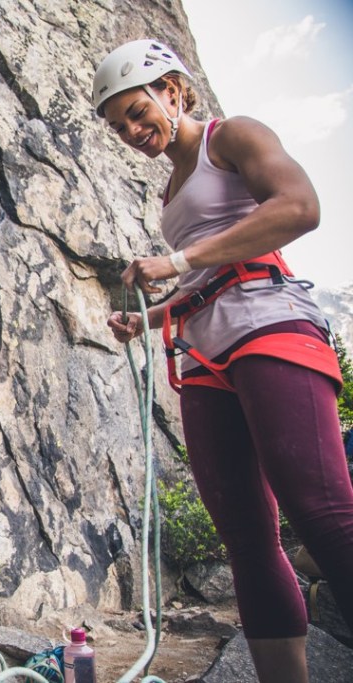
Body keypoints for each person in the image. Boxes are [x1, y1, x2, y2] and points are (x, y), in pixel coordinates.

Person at [93, 39, 353, 683]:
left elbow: (299, 207)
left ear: (173, 91)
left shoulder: (231, 136)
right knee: (245, 534)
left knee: (319, 508)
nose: (131, 130)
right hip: (207, 352)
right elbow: (204, 282)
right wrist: (147, 318)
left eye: (136, 111)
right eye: (118, 124)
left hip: (271, 325)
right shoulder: (173, 189)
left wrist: (177, 261)